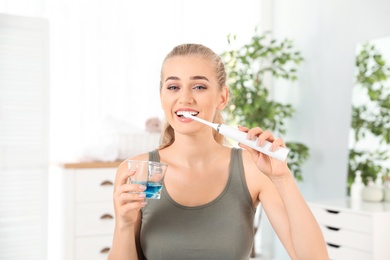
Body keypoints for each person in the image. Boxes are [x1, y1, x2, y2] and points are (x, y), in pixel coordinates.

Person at [108, 43, 329, 260]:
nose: (185, 98)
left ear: (222, 98)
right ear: (162, 96)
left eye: (199, 87)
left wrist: (282, 178)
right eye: (173, 87)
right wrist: (125, 226)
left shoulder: (252, 169)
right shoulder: (137, 172)